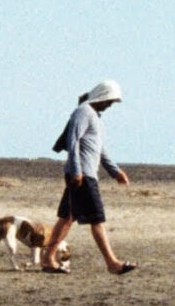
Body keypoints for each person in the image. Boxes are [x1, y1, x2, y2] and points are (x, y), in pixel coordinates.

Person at [43, 80, 135, 275]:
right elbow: (73, 140)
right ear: (101, 96)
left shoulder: (95, 117)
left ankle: (47, 259)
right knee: (96, 219)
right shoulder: (83, 112)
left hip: (85, 173)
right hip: (82, 175)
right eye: (109, 100)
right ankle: (112, 263)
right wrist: (77, 170)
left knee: (67, 217)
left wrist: (115, 172)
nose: (110, 105)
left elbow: (99, 150)